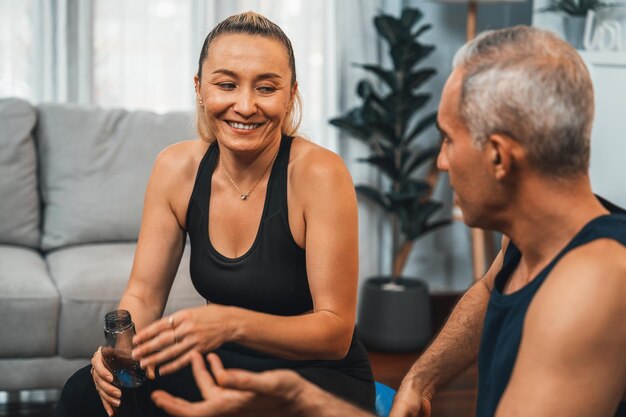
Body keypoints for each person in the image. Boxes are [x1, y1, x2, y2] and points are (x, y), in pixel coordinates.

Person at [151, 25, 626, 417]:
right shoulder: (540, 237)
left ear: (499, 156)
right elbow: (488, 290)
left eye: (448, 140)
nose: (440, 163)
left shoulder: (591, 285)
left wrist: (306, 401)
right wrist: (422, 376)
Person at [54, 11, 375, 417]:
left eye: (266, 87)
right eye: (226, 84)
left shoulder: (320, 174)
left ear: (291, 93)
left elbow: (335, 332)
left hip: (316, 375)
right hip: (222, 360)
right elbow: (144, 293)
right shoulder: (176, 169)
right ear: (200, 89)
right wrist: (120, 352)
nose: (245, 106)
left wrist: (230, 323)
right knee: (83, 392)